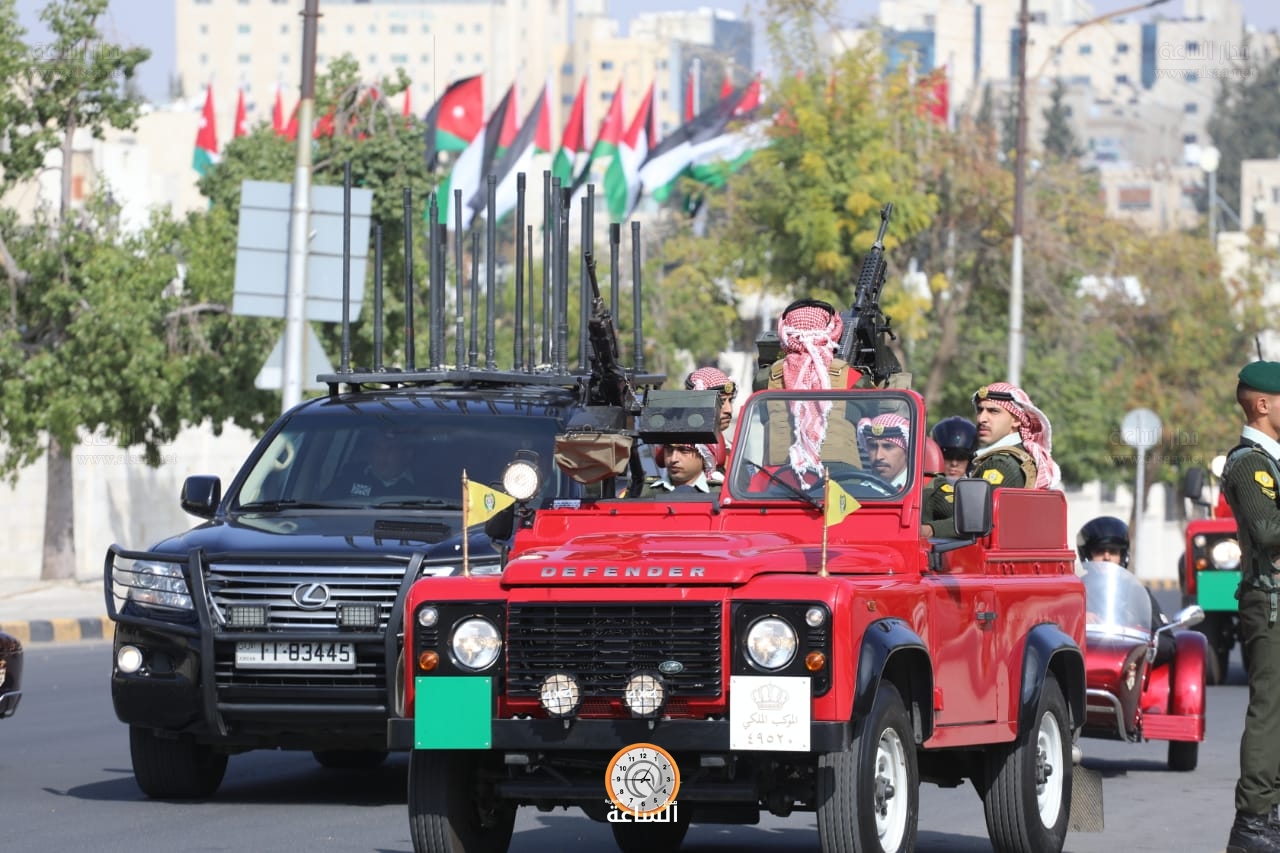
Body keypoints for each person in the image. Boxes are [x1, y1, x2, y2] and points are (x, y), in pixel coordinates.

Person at [1220, 361, 1280, 853]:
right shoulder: (1249, 462)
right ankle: (1254, 823)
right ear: (1263, 405)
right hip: (1270, 603)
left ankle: (1271, 812)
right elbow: (1266, 531)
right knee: (1270, 710)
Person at [921, 381, 1059, 538]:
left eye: (993, 411)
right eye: (980, 410)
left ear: (1016, 420)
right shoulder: (1016, 456)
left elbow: (976, 520)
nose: (981, 419)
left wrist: (930, 527)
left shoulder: (1000, 464)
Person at [1076, 516, 1175, 665]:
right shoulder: (1076, 592)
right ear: (1087, 555)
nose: (1107, 557)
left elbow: (1167, 642)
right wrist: (1079, 619)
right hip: (1085, 671)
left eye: (1113, 551)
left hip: (1127, 671)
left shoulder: (1137, 593)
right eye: (1099, 551)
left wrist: (1140, 635)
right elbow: (1057, 634)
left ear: (1122, 556)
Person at [685, 366, 737, 483]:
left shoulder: (732, 449)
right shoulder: (686, 451)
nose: (729, 410)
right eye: (721, 402)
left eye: (730, 401)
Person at [922, 416, 977, 522]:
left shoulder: (978, 487)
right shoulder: (924, 486)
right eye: (947, 457)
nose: (954, 463)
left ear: (970, 460)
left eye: (961, 457)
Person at [331, 430, 415, 499]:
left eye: (389, 449)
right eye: (377, 448)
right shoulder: (350, 477)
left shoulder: (421, 485)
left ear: (407, 454)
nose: (381, 456)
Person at [857, 413, 910, 491]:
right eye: (873, 446)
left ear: (906, 452)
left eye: (888, 447)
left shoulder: (924, 490)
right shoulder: (859, 490)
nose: (878, 456)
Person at [642, 442, 713, 496]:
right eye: (669, 450)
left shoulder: (720, 493)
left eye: (684, 451)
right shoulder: (643, 491)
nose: (673, 459)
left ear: (704, 456)